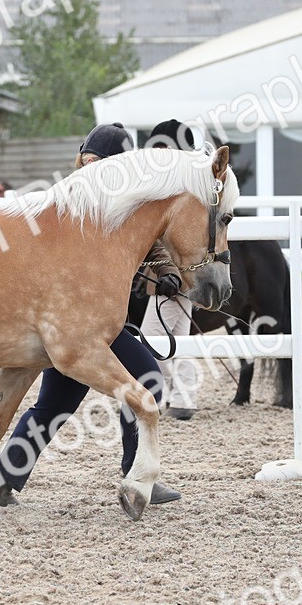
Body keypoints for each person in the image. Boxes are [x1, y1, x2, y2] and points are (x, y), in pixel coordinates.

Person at [0, 122, 185, 508]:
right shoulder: (69, 205)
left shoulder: (124, 207)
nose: (90, 168)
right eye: (88, 160)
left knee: (59, 404)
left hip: (90, 327)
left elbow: (148, 242)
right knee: (142, 380)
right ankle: (137, 475)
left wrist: (167, 272)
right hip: (74, 326)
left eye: (99, 162)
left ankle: (2, 480)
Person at [137, 119, 202, 420]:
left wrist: (171, 275)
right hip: (176, 275)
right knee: (181, 339)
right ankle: (184, 399)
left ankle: (161, 393)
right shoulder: (175, 187)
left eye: (164, 148)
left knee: (152, 338)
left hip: (174, 277)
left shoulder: (177, 191)